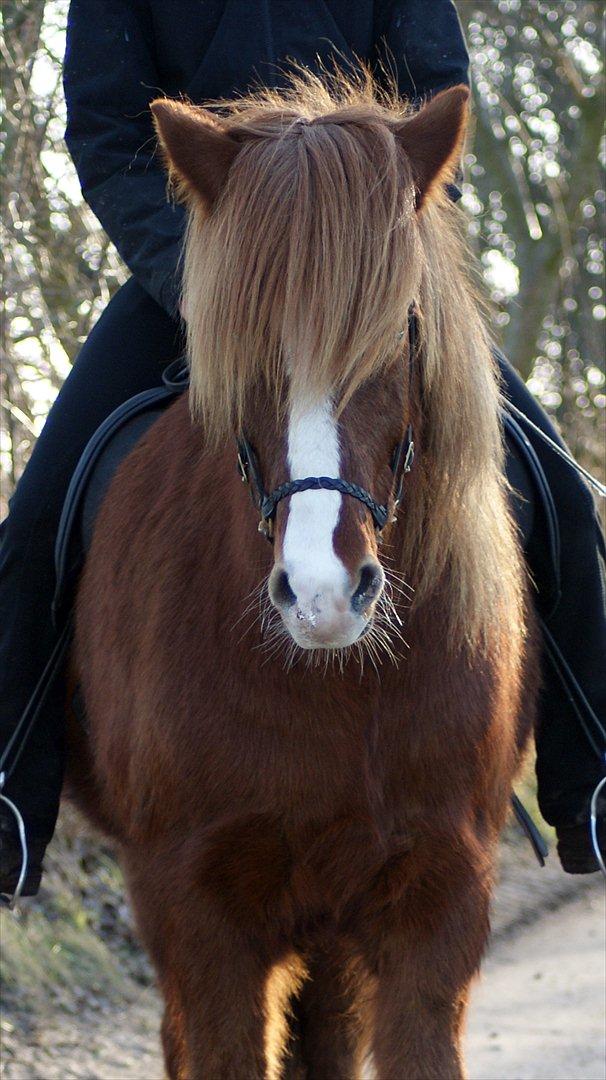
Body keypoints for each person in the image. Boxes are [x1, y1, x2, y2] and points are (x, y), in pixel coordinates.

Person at [1, 0, 604, 899]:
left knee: (556, 492)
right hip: (211, 272)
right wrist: (207, 285)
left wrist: (377, 246)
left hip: (366, 269)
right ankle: (12, 799)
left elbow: (436, 91)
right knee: (38, 521)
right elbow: (105, 128)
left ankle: (588, 781)